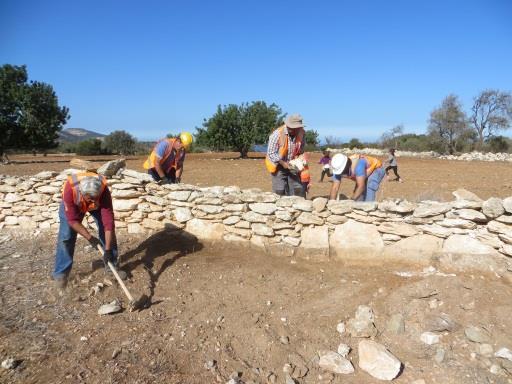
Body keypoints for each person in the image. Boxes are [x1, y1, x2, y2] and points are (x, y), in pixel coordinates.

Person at [53, 172, 126, 289]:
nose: (92, 201)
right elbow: (72, 220)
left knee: (106, 228)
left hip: (98, 205)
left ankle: (111, 267)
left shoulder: (103, 191)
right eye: (90, 198)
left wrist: (107, 250)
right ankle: (61, 274)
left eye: (95, 198)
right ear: (82, 193)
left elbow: (109, 224)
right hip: (74, 205)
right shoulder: (70, 190)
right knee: (66, 236)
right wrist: (90, 238)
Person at [265, 114, 306, 197]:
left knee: (297, 189)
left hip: (293, 165)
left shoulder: (302, 133)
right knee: (279, 191)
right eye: (293, 128)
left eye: (298, 128)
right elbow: (271, 153)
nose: (296, 130)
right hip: (278, 165)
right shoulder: (277, 134)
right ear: (288, 126)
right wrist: (283, 163)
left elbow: (301, 149)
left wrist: (300, 159)